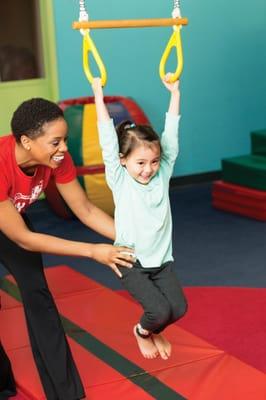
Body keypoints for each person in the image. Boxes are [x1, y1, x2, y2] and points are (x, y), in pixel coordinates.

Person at [0, 98, 134, 400]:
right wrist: (92, 251)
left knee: (39, 298)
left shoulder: (57, 160)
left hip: (10, 221)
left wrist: (133, 239)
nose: (63, 148)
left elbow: (84, 209)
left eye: (65, 140)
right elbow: (24, 239)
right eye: (55, 141)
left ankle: (66, 395)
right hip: (13, 228)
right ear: (26, 141)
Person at [91, 74, 188, 361]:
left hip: (162, 261)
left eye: (154, 161)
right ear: (123, 160)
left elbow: (170, 136)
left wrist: (175, 94)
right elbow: (107, 139)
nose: (148, 169)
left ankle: (153, 329)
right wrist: (98, 93)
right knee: (158, 311)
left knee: (179, 309)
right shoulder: (120, 180)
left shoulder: (162, 174)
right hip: (130, 261)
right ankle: (142, 331)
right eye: (140, 163)